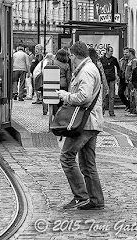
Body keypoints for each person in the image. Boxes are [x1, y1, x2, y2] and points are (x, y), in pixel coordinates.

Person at [57, 40, 104, 211]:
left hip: (85, 123)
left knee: (67, 157)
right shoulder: (90, 69)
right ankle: (96, 199)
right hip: (91, 121)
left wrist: (66, 96)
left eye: (70, 56)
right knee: (87, 163)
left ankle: (81, 196)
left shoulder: (86, 71)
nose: (69, 59)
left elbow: (84, 96)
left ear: (74, 55)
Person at [100, 46, 120, 117]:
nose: (112, 53)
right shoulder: (102, 59)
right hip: (104, 79)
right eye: (111, 51)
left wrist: (117, 75)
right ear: (107, 51)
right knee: (104, 96)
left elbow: (118, 67)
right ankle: (102, 111)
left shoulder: (114, 59)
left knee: (112, 96)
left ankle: (111, 111)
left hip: (111, 79)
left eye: (112, 51)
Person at [51, 48, 71, 116]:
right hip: (63, 85)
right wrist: (69, 88)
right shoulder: (67, 65)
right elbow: (68, 78)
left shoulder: (52, 62)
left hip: (53, 84)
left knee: (53, 102)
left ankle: (56, 116)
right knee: (62, 103)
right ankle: (61, 117)